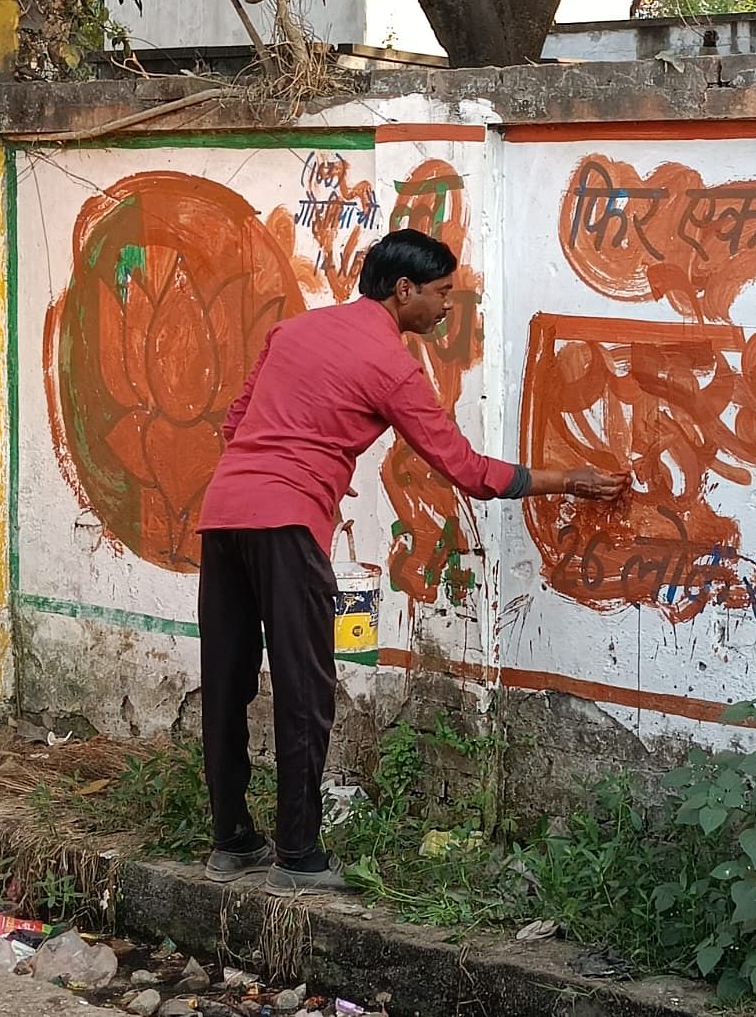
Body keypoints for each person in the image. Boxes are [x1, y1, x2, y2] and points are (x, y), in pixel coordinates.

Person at [196, 228, 627, 896]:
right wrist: (564, 479)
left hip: (223, 515)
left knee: (226, 683)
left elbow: (235, 422)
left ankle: (230, 843)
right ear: (404, 292)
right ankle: (298, 857)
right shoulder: (390, 364)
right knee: (305, 694)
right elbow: (467, 470)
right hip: (287, 524)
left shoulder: (295, 331)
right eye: (442, 293)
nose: (447, 307)